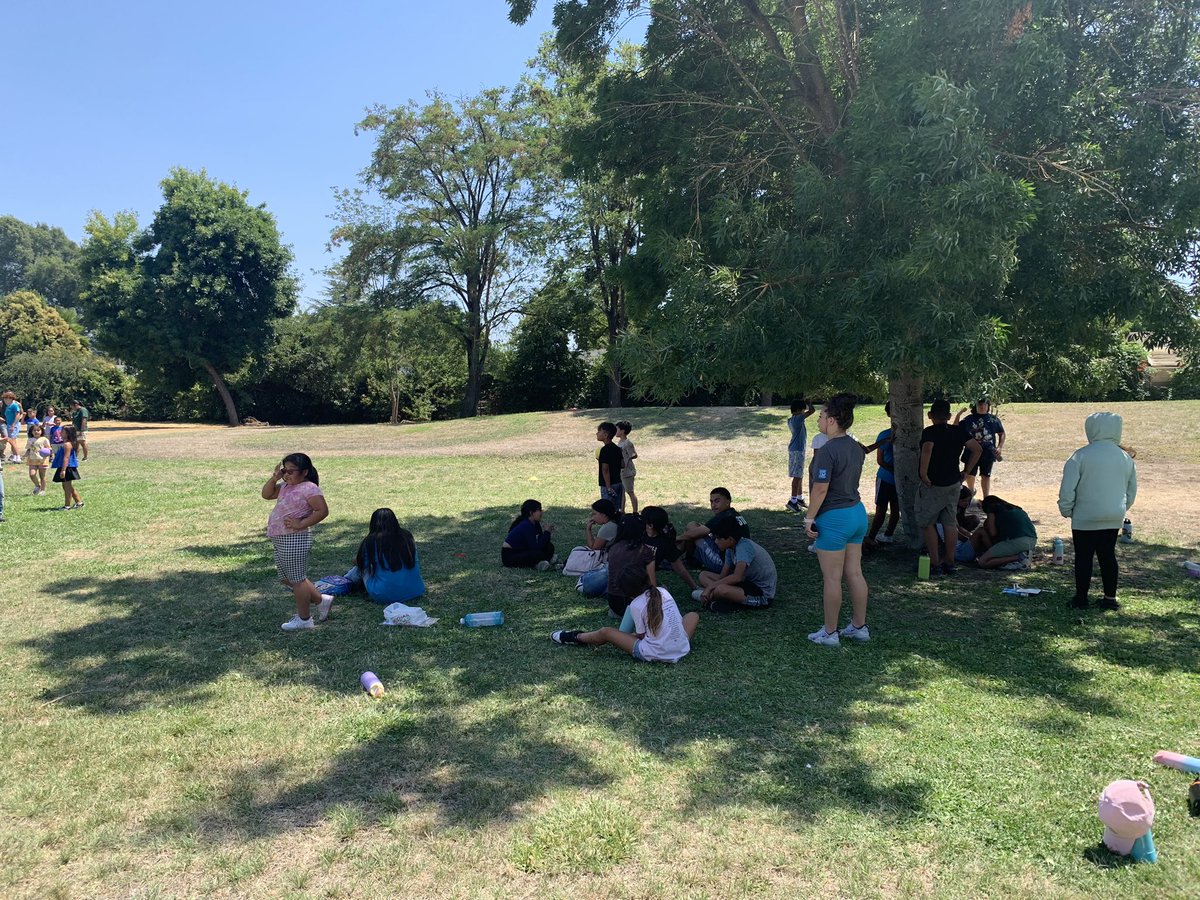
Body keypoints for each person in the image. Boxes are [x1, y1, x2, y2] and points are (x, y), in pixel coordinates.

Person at [801, 394, 869, 645]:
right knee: (855, 573)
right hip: (857, 513)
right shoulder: (855, 447)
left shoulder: (828, 450)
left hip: (834, 518)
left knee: (832, 577)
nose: (817, 420)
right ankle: (859, 627)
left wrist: (809, 519)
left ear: (831, 420)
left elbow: (820, 489)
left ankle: (830, 633)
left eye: (820, 416)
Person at [1058, 412, 1137, 611]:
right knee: (1108, 555)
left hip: (1085, 515)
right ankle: (1110, 598)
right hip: (1113, 514)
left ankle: (1081, 598)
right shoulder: (1125, 457)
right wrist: (1120, 508)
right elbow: (1131, 489)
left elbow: (1068, 488)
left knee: (1084, 557)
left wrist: (1066, 509)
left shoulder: (1081, 455)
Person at [551, 563, 700, 664]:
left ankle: (575, 637)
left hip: (655, 652)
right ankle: (671, 639)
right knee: (693, 615)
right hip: (681, 647)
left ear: (626, 591)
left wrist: (622, 636)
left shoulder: (636, 604)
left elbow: (641, 637)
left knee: (606, 632)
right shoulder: (663, 591)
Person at [262, 453, 331, 631]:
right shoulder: (285, 486)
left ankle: (304, 619)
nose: (287, 475)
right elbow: (266, 494)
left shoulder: (309, 488)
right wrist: (274, 478)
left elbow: (322, 510)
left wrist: (301, 524)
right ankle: (321, 600)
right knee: (286, 578)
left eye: (292, 471)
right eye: (285, 470)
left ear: (305, 472)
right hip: (280, 538)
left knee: (297, 580)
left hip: (295, 538)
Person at [917, 399, 983, 577]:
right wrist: (966, 471)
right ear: (948, 416)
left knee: (928, 524)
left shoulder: (929, 432)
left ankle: (936, 563)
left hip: (933, 484)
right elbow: (977, 449)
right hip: (953, 483)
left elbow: (927, 450)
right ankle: (950, 562)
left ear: (930, 416)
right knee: (950, 522)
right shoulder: (958, 431)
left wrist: (923, 474)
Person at [695, 516, 777, 613]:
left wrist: (710, 587)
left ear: (730, 539)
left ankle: (717, 599)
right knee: (703, 575)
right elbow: (722, 576)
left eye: (718, 538)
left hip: (761, 594)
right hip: (746, 583)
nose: (716, 542)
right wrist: (713, 586)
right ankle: (715, 597)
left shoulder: (743, 548)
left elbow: (737, 577)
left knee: (721, 589)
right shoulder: (730, 548)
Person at [351, 508, 426, 604]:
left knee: (359, 569)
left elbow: (361, 564)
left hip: (384, 595)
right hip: (416, 590)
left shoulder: (370, 541)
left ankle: (344, 582)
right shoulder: (407, 536)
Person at [678, 487, 751, 573]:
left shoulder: (724, 517)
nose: (713, 505)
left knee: (692, 532)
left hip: (725, 564)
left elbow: (694, 534)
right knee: (692, 526)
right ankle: (685, 559)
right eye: (711, 502)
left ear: (728, 501)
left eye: (717, 501)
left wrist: (674, 539)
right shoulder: (733, 514)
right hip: (736, 559)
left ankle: (678, 559)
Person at [603, 515, 656, 617]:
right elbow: (652, 583)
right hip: (636, 602)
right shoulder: (645, 551)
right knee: (663, 589)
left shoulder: (613, 548)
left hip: (614, 602)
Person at [642, 505, 700, 593]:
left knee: (663, 590)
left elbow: (678, 567)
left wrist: (694, 587)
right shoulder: (638, 533)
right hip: (631, 572)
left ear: (650, 525)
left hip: (645, 575)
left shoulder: (665, 541)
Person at [954, 398, 1005, 498]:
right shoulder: (968, 419)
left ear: (988, 407)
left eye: (985, 405)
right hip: (971, 452)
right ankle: (971, 493)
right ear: (975, 406)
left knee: (986, 475)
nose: (982, 407)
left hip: (988, 452)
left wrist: (999, 447)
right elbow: (955, 428)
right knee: (969, 474)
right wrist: (959, 415)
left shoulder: (993, 419)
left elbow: (1001, 433)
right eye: (980, 405)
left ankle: (986, 498)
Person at [865, 402, 899, 546]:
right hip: (889, 478)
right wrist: (895, 471)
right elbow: (880, 460)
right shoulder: (885, 435)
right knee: (886, 508)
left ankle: (882, 535)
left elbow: (880, 460)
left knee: (892, 509)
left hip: (891, 478)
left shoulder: (886, 435)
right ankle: (876, 536)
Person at [972, 496, 1037, 569]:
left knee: (983, 562)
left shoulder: (991, 510)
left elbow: (992, 533)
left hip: (1017, 541)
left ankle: (1020, 557)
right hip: (1032, 541)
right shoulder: (1016, 509)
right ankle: (1018, 557)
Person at [578, 499, 622, 597]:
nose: (592, 517)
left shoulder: (607, 528)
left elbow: (594, 548)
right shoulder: (615, 523)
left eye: (594, 514)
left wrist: (588, 530)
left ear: (603, 514)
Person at [502, 499, 557, 570]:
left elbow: (541, 542)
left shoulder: (535, 523)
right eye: (539, 510)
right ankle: (539, 563)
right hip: (510, 555)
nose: (541, 512)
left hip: (523, 550)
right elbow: (535, 547)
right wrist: (547, 532)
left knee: (549, 547)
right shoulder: (526, 525)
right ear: (531, 512)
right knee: (537, 554)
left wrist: (547, 533)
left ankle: (542, 561)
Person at [786, 399, 816, 512]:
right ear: (799, 410)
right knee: (797, 476)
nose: (804, 411)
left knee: (799, 474)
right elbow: (812, 411)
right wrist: (809, 402)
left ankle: (799, 498)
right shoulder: (798, 419)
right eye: (803, 410)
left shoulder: (791, 420)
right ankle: (792, 500)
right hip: (798, 450)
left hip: (795, 449)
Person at [51, 424, 84, 511]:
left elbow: (66, 457)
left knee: (67, 488)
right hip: (66, 467)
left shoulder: (67, 445)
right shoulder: (67, 443)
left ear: (68, 433)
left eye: (62, 431)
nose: (60, 432)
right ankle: (79, 502)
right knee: (67, 486)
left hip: (67, 467)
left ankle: (67, 506)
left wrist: (63, 470)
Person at [595, 421, 624, 509]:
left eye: (599, 431)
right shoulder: (617, 448)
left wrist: (608, 486)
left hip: (608, 484)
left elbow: (605, 469)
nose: (597, 433)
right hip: (618, 482)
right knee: (616, 509)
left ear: (606, 435)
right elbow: (623, 464)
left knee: (608, 509)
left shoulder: (604, 450)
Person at [615, 421, 639, 514]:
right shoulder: (620, 442)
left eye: (617, 429)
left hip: (627, 471)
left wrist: (627, 459)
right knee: (622, 493)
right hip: (621, 471)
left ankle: (635, 512)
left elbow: (634, 454)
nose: (615, 431)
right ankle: (622, 511)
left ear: (623, 431)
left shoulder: (627, 443)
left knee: (630, 492)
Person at [24, 422, 51, 495]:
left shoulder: (44, 439)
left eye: (38, 430)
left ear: (41, 431)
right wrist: (24, 456)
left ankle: (43, 490)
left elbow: (49, 449)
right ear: (31, 432)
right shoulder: (30, 440)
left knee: (42, 476)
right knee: (32, 474)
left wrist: (48, 453)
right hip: (32, 459)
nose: (36, 432)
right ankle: (37, 485)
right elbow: (29, 449)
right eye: (34, 430)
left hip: (42, 460)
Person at [3, 391, 22, 462]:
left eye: (6, 398)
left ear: (10, 398)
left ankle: (18, 457)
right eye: (4, 398)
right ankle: (15, 456)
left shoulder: (14, 405)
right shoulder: (8, 406)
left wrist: (13, 425)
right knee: (12, 441)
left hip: (13, 425)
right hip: (9, 424)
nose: (4, 399)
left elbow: (18, 415)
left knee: (12, 441)